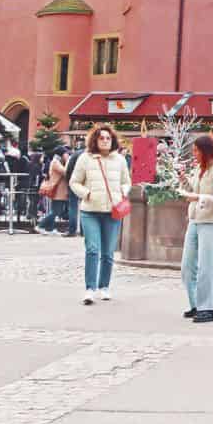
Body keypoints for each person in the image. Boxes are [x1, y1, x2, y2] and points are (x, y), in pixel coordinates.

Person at [68, 124, 132, 305]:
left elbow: (126, 181)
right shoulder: (85, 158)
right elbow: (74, 182)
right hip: (90, 211)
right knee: (92, 249)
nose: (105, 141)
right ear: (95, 140)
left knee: (108, 252)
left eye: (108, 138)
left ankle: (104, 286)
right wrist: (86, 194)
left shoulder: (120, 160)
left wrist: (122, 192)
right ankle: (90, 288)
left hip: (112, 211)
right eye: (101, 138)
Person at [178, 135, 213, 324]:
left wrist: (199, 198)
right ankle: (196, 304)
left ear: (206, 151)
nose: (194, 154)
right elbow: (194, 190)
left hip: (211, 222)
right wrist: (184, 181)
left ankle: (209, 307)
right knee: (187, 266)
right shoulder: (199, 169)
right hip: (195, 220)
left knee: (206, 266)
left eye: (196, 150)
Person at [38, 149, 71, 235]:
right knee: (56, 211)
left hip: (59, 190)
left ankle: (50, 228)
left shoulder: (57, 161)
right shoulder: (56, 162)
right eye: (66, 153)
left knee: (56, 210)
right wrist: (68, 160)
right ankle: (40, 225)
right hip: (58, 190)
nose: (67, 155)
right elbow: (65, 172)